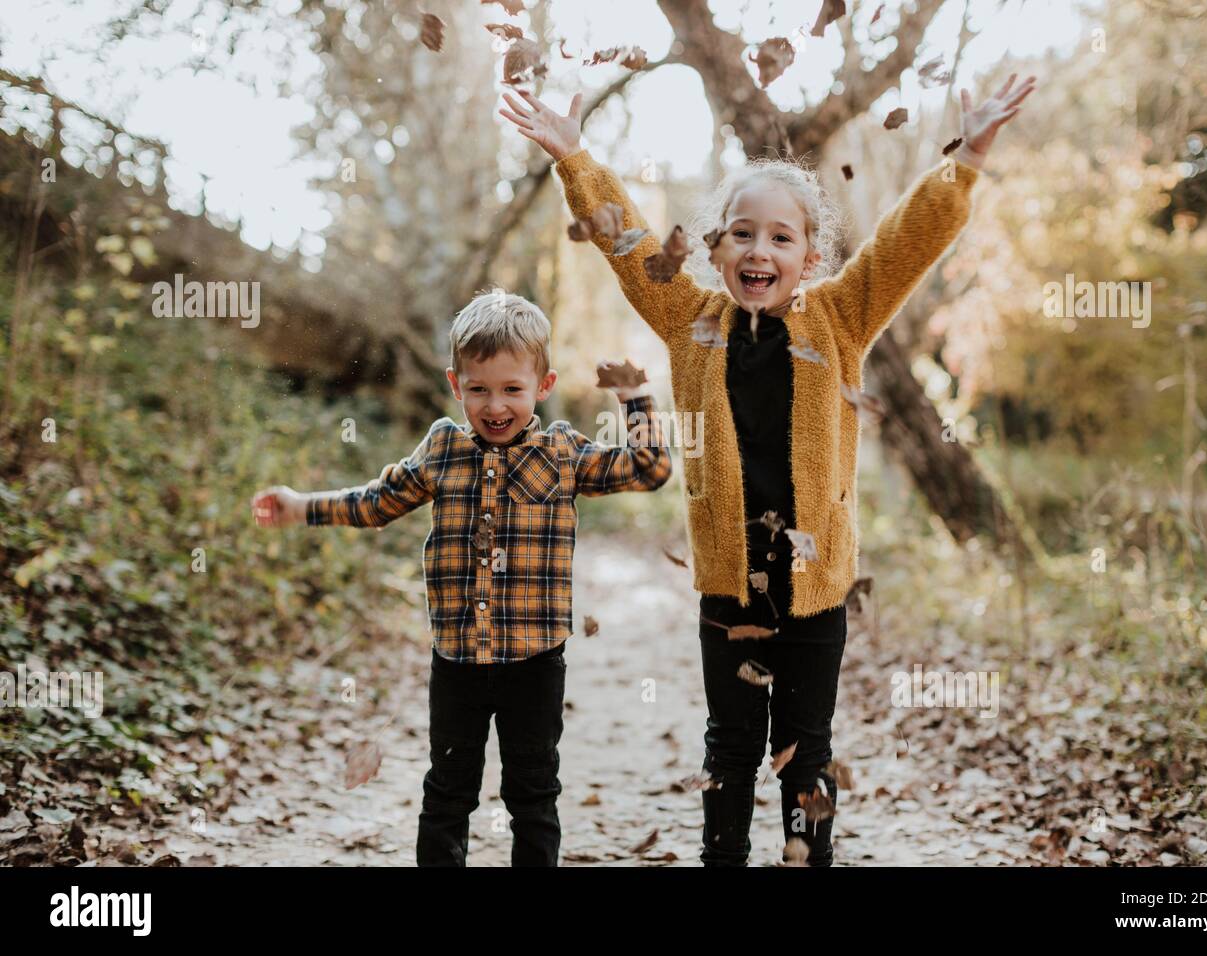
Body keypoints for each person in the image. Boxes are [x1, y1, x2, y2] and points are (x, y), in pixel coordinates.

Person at [500, 73, 1036, 865]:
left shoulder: (841, 317)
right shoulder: (690, 322)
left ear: (809, 257)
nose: (760, 251)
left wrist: (968, 157)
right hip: (729, 588)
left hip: (817, 596)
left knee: (804, 754)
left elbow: (904, 244)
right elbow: (625, 243)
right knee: (730, 751)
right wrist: (575, 157)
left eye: (782, 238)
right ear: (714, 248)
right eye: (742, 234)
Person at [250, 290, 672, 865]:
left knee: (533, 794)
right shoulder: (443, 449)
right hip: (456, 662)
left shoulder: (562, 453)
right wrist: (302, 505)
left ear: (542, 387)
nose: (495, 405)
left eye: (511, 390)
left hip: (535, 662)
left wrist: (635, 397)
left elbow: (650, 471)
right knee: (448, 791)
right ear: (456, 385)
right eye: (479, 389)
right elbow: (376, 502)